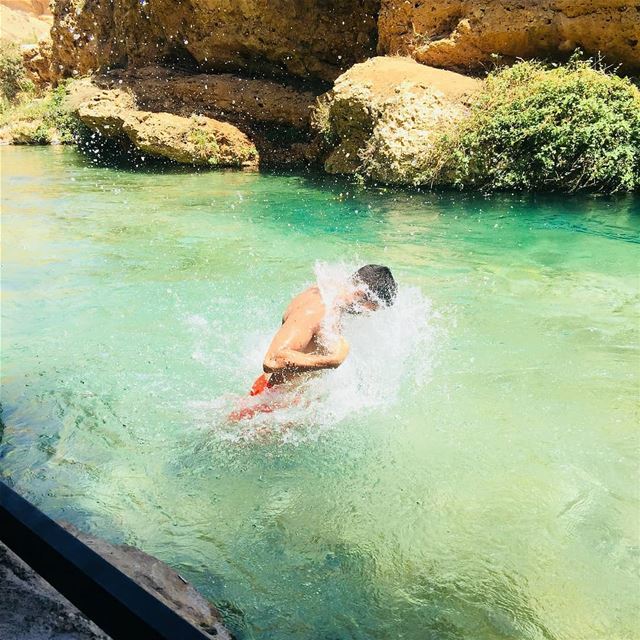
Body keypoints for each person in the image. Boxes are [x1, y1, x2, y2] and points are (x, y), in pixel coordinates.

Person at [249, 264, 397, 396]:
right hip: (271, 401)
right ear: (360, 294)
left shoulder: (332, 297)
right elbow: (273, 359)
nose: (366, 315)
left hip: (288, 400)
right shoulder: (316, 309)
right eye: (372, 309)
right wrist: (331, 361)